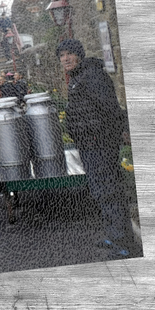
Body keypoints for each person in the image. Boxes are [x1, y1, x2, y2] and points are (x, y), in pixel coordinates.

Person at [56, 39, 132, 258]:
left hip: (101, 145)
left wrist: (116, 135)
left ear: (79, 55)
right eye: (62, 56)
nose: (65, 59)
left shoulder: (93, 76)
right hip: (89, 145)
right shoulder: (79, 76)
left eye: (69, 54)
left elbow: (110, 108)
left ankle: (122, 242)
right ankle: (113, 234)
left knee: (110, 192)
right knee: (100, 192)